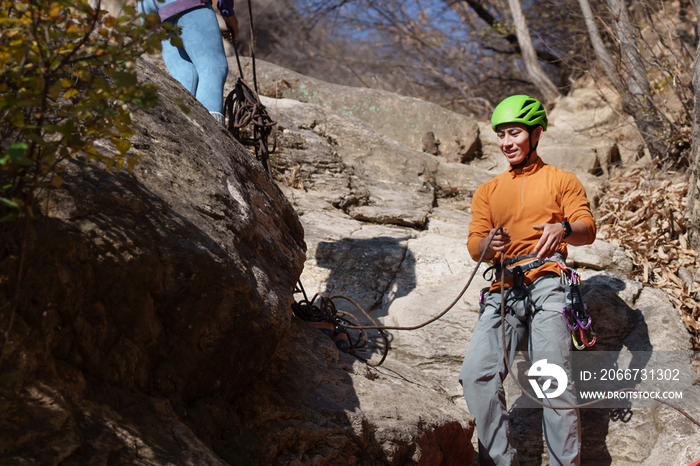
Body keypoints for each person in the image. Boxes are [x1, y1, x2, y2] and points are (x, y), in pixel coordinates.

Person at [459, 95, 596, 465]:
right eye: (501, 134)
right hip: (503, 288)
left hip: (550, 282)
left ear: (535, 134)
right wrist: (488, 245)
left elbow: (587, 229)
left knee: (551, 379)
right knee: (475, 374)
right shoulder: (488, 191)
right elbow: (475, 245)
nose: (507, 142)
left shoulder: (561, 180)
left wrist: (563, 227)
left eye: (515, 132)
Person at [137, 0, 239, 124]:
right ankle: (210, 136)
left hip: (147, 8)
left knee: (184, 77)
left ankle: (184, 135)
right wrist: (228, 12)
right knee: (213, 69)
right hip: (186, 4)